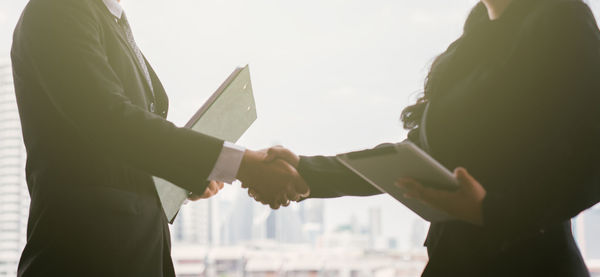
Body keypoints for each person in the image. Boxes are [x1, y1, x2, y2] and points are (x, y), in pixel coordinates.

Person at [260, 0, 600, 275]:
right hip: (456, 260)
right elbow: (417, 156)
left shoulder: (561, 19)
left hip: (529, 265)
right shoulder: (477, 36)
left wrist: (491, 211)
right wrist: (308, 170)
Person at [10, 0, 307, 276]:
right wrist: (241, 164)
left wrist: (183, 177)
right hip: (84, 256)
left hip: (137, 252)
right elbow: (110, 122)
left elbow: (115, 150)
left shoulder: (112, 19)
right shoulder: (59, 9)